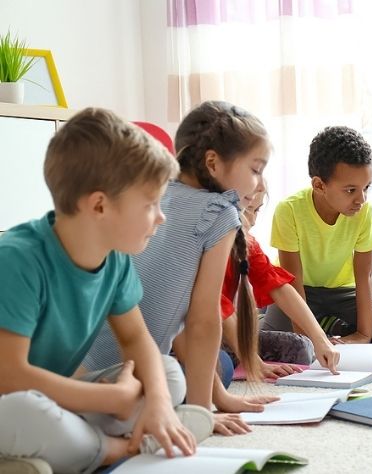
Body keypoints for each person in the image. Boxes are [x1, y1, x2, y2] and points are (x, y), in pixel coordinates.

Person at [0, 108, 213, 474]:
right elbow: (10, 376)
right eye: (150, 205)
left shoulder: (114, 261)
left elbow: (136, 339)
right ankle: (115, 449)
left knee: (167, 372)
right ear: (99, 205)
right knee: (24, 413)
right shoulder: (17, 260)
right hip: (11, 399)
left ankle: (64, 450)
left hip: (62, 397)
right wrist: (108, 397)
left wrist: (159, 403)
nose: (161, 217)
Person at [83, 101, 280, 437]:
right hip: (124, 372)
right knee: (170, 382)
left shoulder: (156, 195)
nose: (260, 184)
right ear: (213, 163)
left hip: (81, 366)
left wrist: (219, 397)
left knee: (170, 379)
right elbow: (202, 322)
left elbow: (182, 323)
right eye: (256, 169)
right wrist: (203, 414)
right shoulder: (220, 213)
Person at [263, 126, 372, 343]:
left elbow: (364, 276)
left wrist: (362, 335)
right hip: (300, 291)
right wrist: (308, 338)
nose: (361, 199)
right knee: (276, 338)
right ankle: (316, 323)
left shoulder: (363, 212)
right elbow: (292, 281)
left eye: (366, 187)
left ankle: (328, 322)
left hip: (342, 292)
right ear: (319, 185)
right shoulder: (289, 210)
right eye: (351, 190)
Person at [217, 188, 340, 385]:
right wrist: (254, 363)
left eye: (257, 210)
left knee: (301, 348)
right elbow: (219, 306)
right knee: (221, 367)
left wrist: (321, 339)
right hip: (193, 336)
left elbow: (278, 286)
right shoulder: (210, 242)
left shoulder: (247, 243)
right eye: (248, 210)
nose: (254, 221)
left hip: (228, 336)